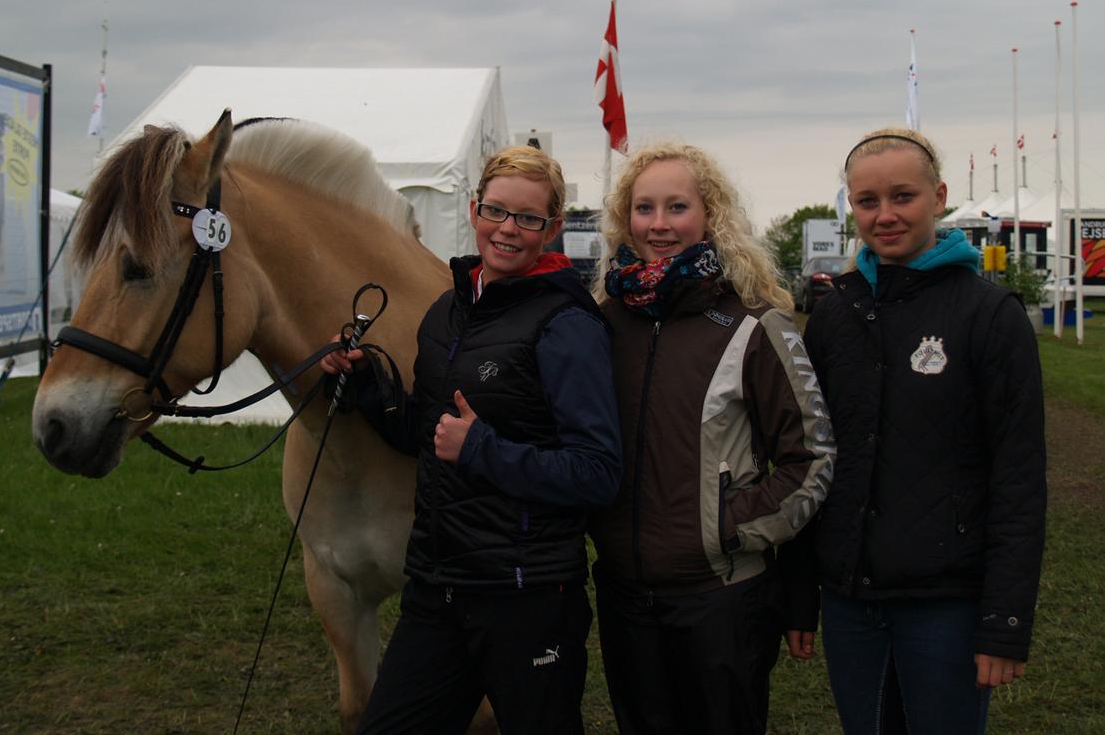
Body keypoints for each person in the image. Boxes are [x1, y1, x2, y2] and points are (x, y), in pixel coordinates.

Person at [322, 145, 622, 735]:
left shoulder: (568, 325)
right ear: (473, 208)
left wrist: (482, 447)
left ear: (554, 228)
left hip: (527, 597)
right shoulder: (447, 312)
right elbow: (426, 435)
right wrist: (364, 383)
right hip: (438, 585)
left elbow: (597, 472)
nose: (508, 229)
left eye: (528, 218)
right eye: (496, 211)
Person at [801, 127, 1046, 734]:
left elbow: (1018, 478)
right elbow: (808, 463)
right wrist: (800, 593)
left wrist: (1004, 623)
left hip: (947, 605)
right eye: (866, 201)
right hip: (851, 603)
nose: (884, 216)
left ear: (937, 196)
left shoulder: (989, 314)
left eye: (902, 197)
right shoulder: (834, 314)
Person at [587, 141, 836, 734]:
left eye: (677, 207)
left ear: (710, 214)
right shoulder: (601, 318)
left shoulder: (754, 322)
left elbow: (812, 459)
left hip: (721, 599)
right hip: (624, 594)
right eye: (644, 208)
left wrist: (725, 530)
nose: (659, 224)